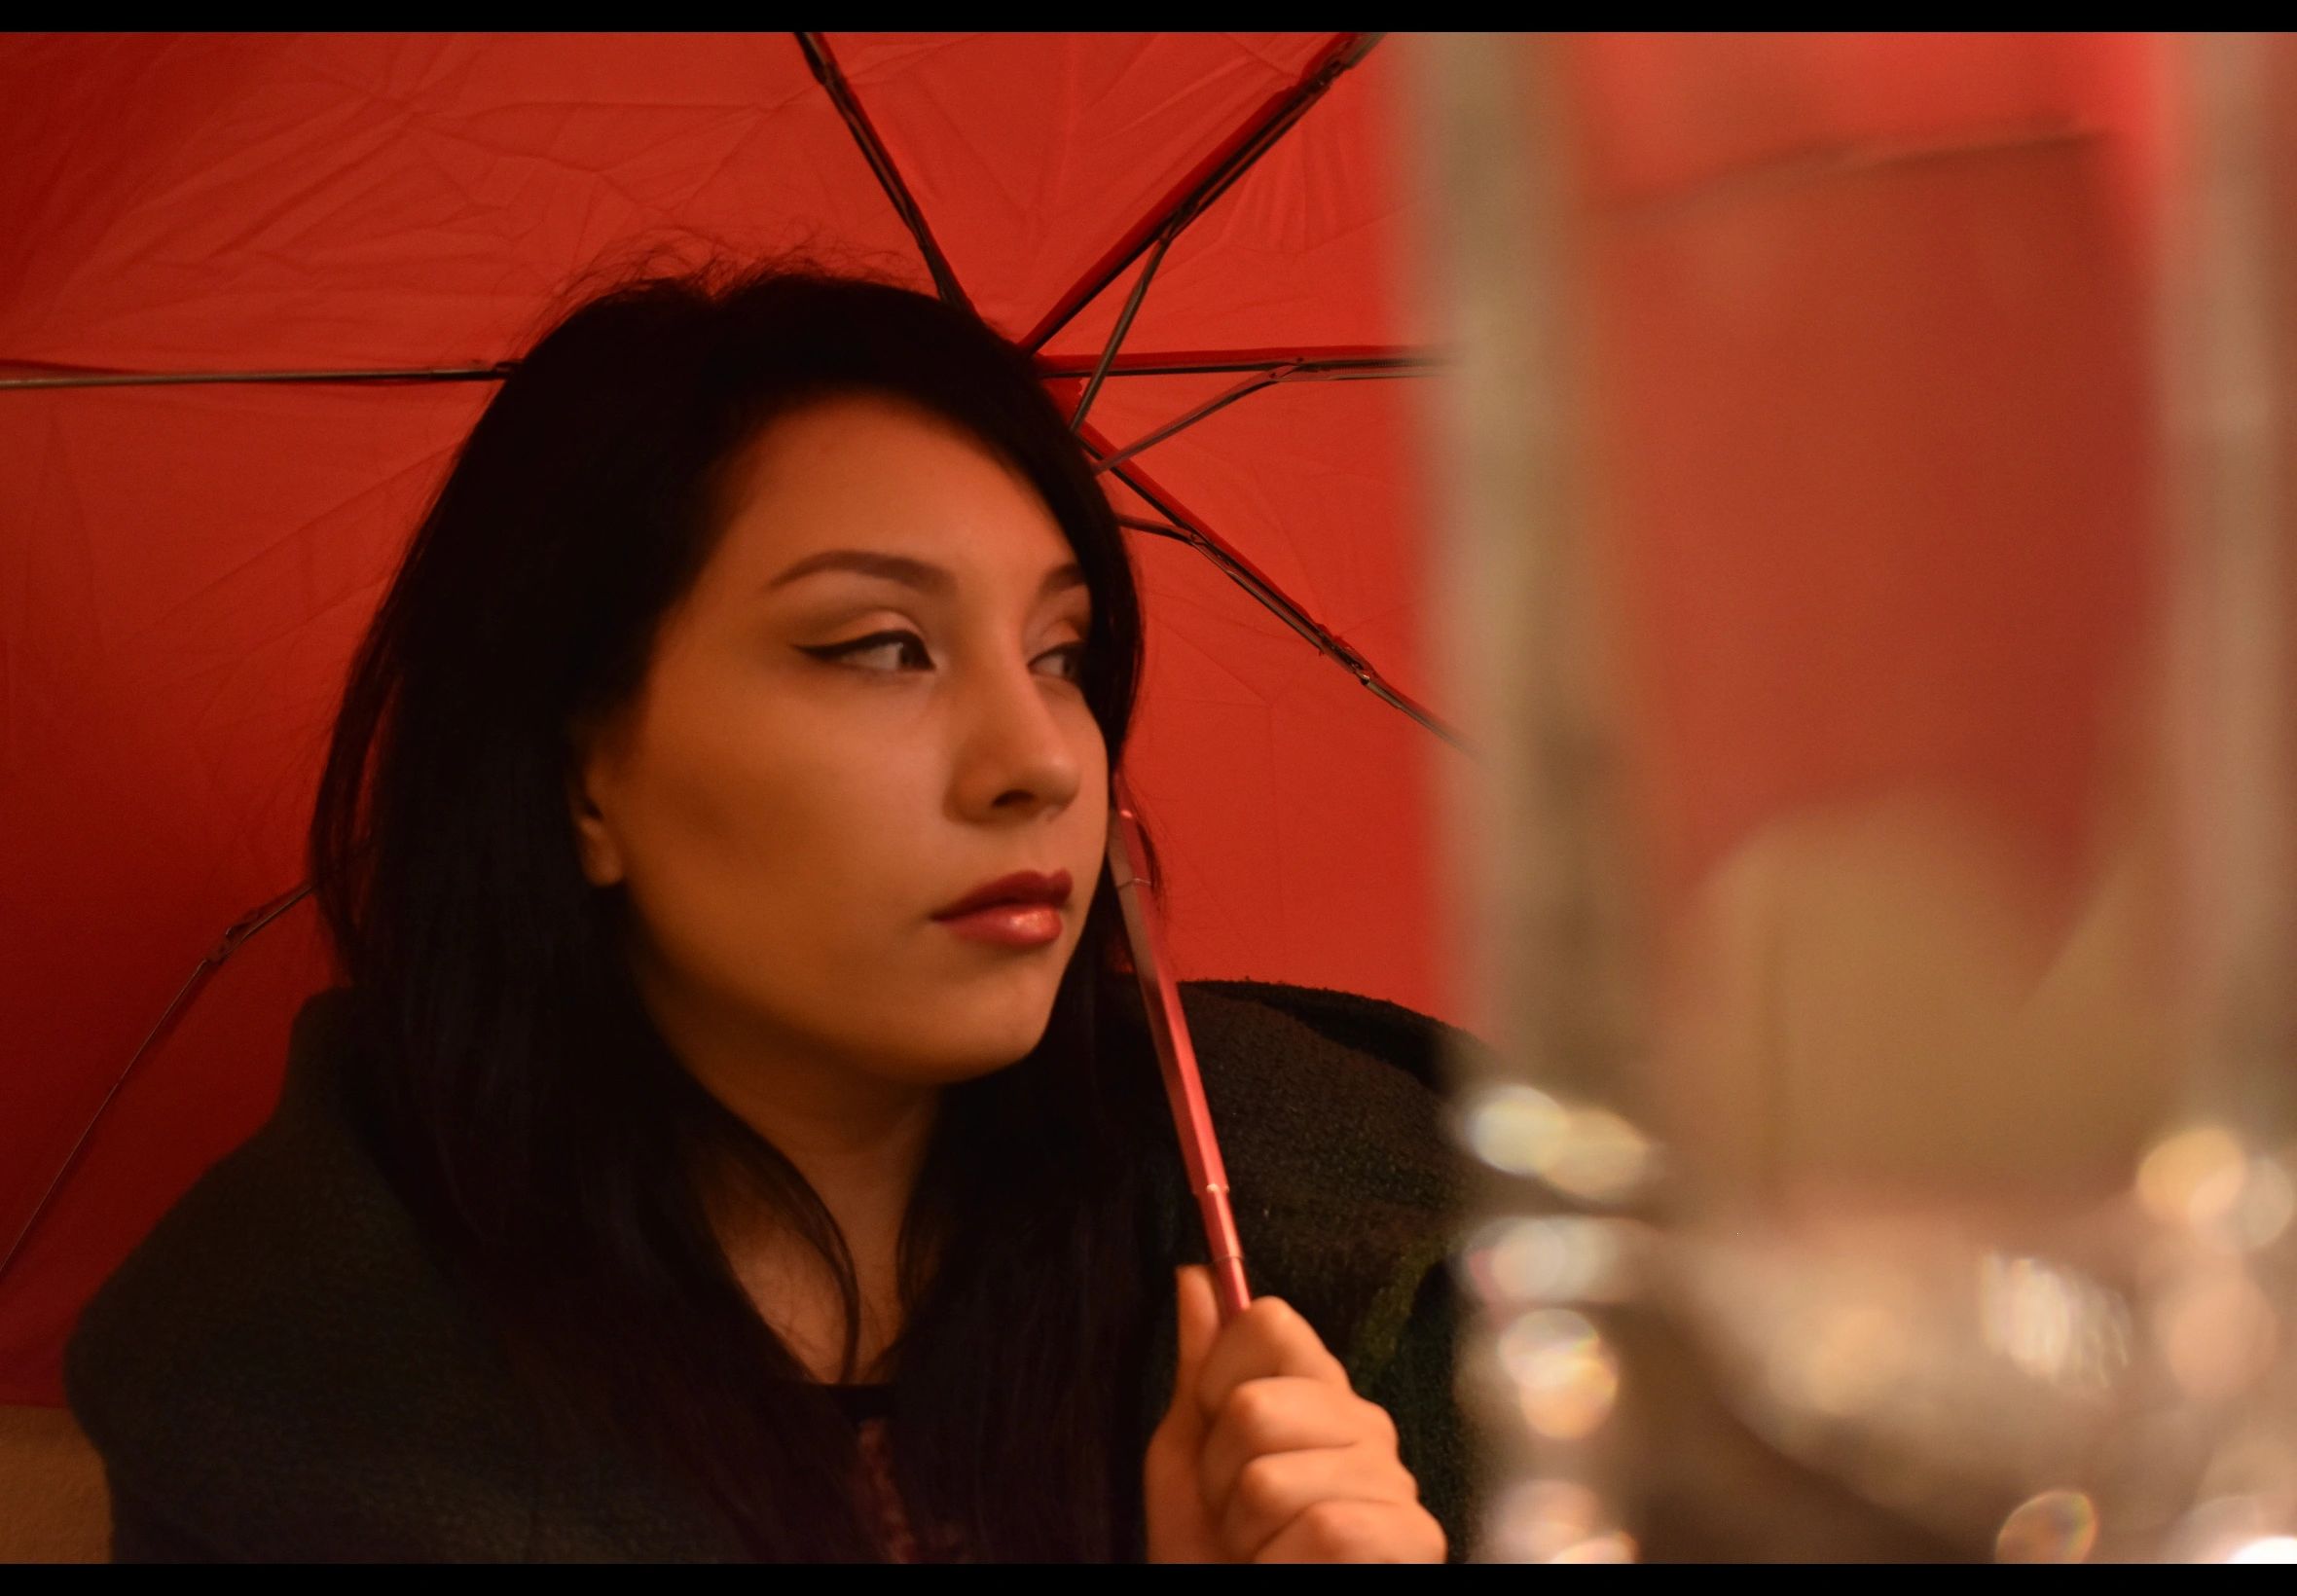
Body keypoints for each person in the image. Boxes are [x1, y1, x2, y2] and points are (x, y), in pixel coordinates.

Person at [62, 266, 1474, 1562]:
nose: (1042, 761)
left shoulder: (1388, 1234)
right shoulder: (290, 1390)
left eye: (1061, 653)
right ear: (582, 778)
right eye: (882, 648)